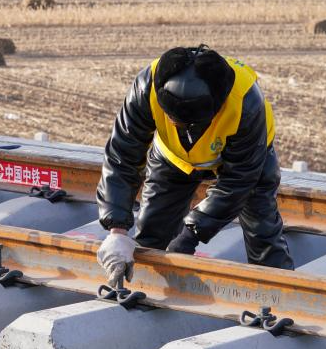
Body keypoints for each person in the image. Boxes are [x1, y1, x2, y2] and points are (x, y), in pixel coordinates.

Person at [95, 45, 293, 286]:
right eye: (172, 119)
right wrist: (117, 229)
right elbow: (122, 155)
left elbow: (238, 181)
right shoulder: (146, 86)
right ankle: (146, 291)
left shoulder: (246, 104)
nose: (175, 124)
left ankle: (278, 290)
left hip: (249, 160)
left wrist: (191, 234)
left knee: (262, 230)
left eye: (185, 124)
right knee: (152, 233)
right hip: (173, 158)